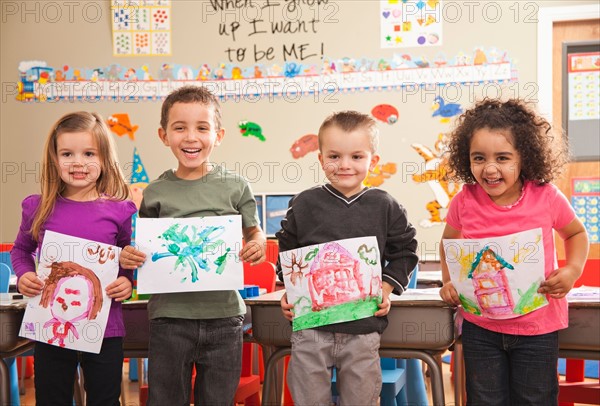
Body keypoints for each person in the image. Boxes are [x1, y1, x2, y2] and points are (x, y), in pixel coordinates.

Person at [119, 86, 266, 406]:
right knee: (166, 399)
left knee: (217, 400)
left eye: (202, 128)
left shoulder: (236, 186)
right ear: (163, 134)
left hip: (224, 318)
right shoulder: (155, 191)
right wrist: (132, 254)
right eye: (179, 127)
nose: (191, 137)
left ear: (219, 135)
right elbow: (143, 246)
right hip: (168, 319)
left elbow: (256, 233)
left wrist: (257, 246)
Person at [438, 98, 589, 405]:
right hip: (481, 329)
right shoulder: (464, 201)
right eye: (478, 158)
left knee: (535, 399)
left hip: (538, 327)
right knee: (484, 400)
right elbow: (448, 244)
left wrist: (572, 271)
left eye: (503, 158)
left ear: (525, 158)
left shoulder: (546, 196)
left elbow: (575, 233)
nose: (490, 169)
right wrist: (449, 281)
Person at [276, 110, 419, 405]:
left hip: (363, 328)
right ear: (320, 159)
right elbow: (286, 252)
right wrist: (289, 291)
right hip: (311, 329)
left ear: (372, 161)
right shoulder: (304, 203)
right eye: (334, 156)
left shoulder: (385, 205)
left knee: (361, 399)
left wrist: (387, 286)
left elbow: (405, 250)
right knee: (308, 399)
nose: (344, 166)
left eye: (356, 157)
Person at [11, 111, 136, 406]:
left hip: (105, 329)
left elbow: (129, 258)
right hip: (50, 327)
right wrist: (25, 273)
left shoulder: (121, 211)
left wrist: (127, 282)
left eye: (89, 153)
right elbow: (20, 250)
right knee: (52, 398)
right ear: (54, 158)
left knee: (105, 399)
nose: (78, 162)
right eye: (67, 153)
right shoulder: (37, 207)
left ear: (104, 158)